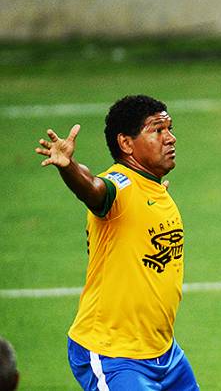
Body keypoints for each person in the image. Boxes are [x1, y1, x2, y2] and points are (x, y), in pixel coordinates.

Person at [34, 95, 198, 390]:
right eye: (157, 131)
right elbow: (94, 189)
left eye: (170, 129)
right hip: (114, 354)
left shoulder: (154, 188)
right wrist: (68, 166)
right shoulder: (118, 186)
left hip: (163, 352)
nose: (170, 138)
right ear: (126, 143)